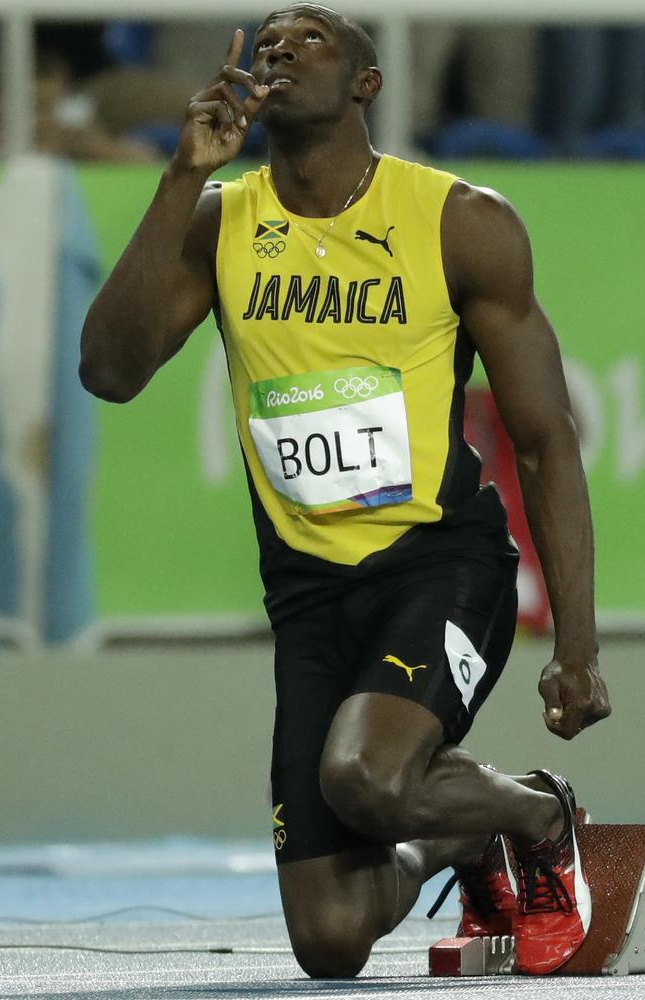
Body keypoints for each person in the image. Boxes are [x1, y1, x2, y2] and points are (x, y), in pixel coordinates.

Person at [79, 4, 611, 979]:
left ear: (365, 83)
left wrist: (575, 647)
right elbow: (110, 371)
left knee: (364, 773)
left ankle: (539, 811)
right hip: (308, 594)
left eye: (310, 37)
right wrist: (183, 173)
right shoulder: (221, 220)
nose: (279, 47)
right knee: (329, 936)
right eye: (266, 39)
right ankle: (459, 835)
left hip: (441, 563)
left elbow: (542, 440)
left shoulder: (460, 221)